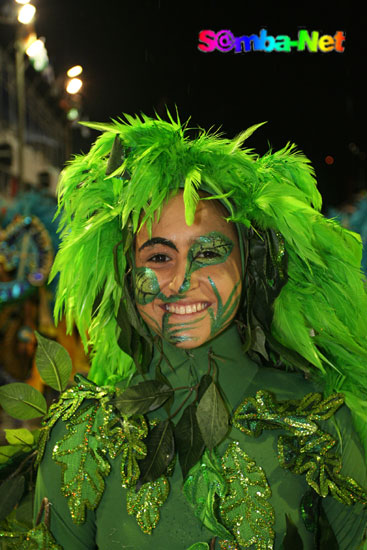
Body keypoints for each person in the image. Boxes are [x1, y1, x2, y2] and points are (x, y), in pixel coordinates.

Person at [30, 112, 367, 549]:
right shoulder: (82, 434)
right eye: (158, 257)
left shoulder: (319, 423)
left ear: (249, 263)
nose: (182, 279)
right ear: (127, 273)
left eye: (208, 252)